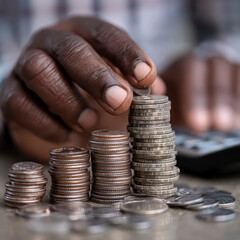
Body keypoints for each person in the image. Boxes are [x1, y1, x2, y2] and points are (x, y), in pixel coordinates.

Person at [0, 0, 239, 161]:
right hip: (25, 128)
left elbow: (231, 28)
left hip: (174, 105)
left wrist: (217, 59)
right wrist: (9, 90)